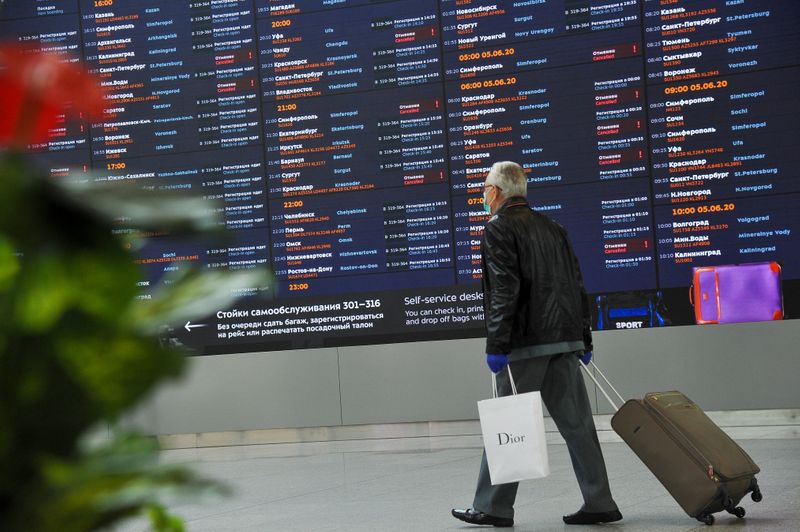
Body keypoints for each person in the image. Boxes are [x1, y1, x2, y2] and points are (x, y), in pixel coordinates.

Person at [451, 161, 622, 527]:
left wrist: (496, 344)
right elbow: (575, 285)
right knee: (578, 427)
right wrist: (584, 337)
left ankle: (493, 507)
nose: (483, 196)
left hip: (524, 345)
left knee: (508, 425)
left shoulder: (498, 228)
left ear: (496, 192)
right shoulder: (554, 228)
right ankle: (600, 501)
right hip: (564, 341)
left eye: (485, 189)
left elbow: (504, 290)